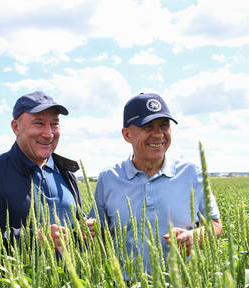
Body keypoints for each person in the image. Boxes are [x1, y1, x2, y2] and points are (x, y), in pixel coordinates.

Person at [91, 93, 222, 277]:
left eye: (164, 125)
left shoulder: (192, 173)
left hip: (184, 286)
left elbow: (215, 225)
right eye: (148, 126)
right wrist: (89, 231)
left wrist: (195, 237)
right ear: (127, 134)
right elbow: (98, 234)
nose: (159, 134)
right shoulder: (108, 178)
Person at [0, 91, 93, 251]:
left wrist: (86, 231)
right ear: (16, 127)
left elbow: (76, 231)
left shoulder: (66, 173)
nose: (49, 134)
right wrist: (32, 239)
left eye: (54, 124)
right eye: (39, 123)